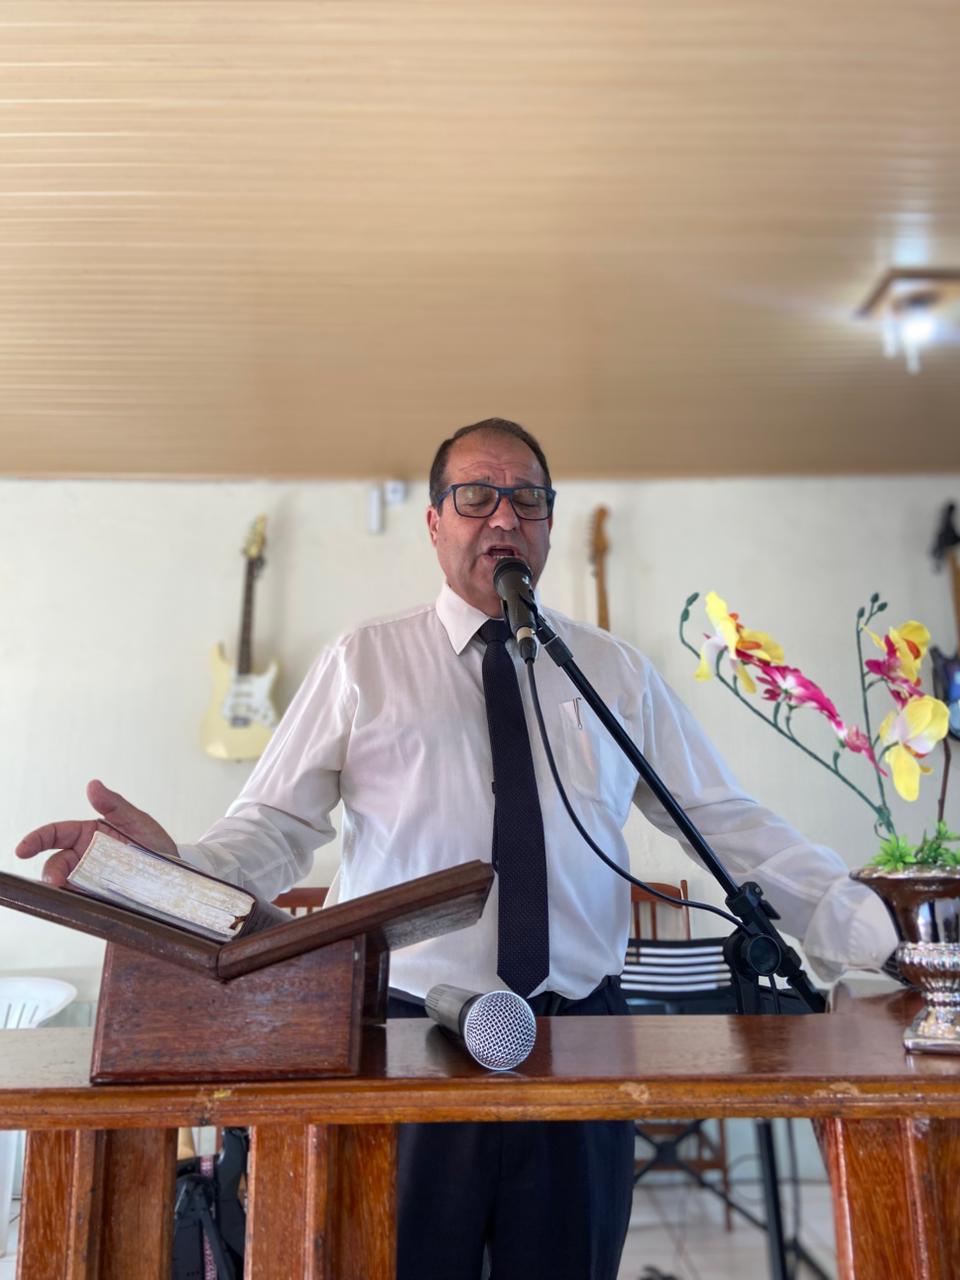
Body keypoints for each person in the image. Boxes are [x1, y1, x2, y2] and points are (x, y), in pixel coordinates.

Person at [17, 417, 897, 1280]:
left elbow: (722, 820)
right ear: (435, 523)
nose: (504, 516)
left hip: (580, 1040)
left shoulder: (614, 671)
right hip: (407, 1038)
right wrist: (172, 871)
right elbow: (274, 829)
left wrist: (875, 934)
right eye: (476, 496)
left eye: (527, 498)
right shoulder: (363, 662)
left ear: (549, 522)